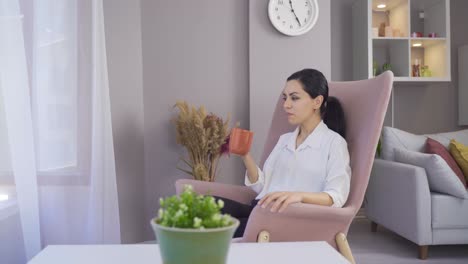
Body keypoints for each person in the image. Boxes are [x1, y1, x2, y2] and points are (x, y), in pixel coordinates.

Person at [219, 68, 351, 238]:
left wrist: (298, 196)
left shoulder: (334, 143)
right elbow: (262, 185)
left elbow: (336, 197)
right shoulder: (285, 140)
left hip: (289, 220)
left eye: (294, 98)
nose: (286, 105)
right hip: (260, 209)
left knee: (212, 228)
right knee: (204, 206)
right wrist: (245, 155)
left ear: (317, 102)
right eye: (285, 98)